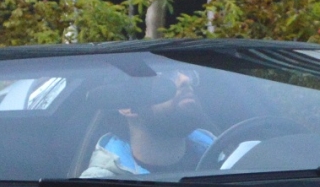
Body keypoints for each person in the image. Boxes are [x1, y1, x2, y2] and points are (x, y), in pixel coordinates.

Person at [80, 67, 218, 177]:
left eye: (187, 72)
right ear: (127, 107)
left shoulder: (226, 159)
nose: (185, 79)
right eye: (168, 75)